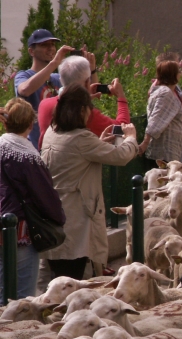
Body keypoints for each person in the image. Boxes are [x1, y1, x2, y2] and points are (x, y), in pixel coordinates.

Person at [41, 84, 137, 280]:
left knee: (58, 278)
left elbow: (76, 156)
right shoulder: (81, 138)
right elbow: (121, 156)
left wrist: (99, 143)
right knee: (73, 280)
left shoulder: (52, 132)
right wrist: (131, 138)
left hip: (53, 216)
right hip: (76, 220)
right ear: (83, 110)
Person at [0, 98, 65, 299]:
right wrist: (58, 218)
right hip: (19, 232)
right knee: (22, 294)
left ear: (5, 122)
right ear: (31, 124)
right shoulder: (28, 156)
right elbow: (44, 195)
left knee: (2, 290)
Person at [37, 55, 130, 148]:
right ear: (87, 82)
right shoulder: (84, 114)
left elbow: (67, 101)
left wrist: (85, 96)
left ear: (61, 80)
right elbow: (122, 128)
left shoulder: (44, 104)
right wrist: (121, 97)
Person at [14, 29, 78, 149]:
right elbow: (24, 90)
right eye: (44, 45)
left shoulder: (58, 78)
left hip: (57, 148)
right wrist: (54, 63)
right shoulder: (24, 75)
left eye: (52, 44)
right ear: (31, 51)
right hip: (34, 148)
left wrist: (91, 68)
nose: (51, 48)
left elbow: (87, 91)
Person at [138, 57, 182, 163]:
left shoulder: (163, 91)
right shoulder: (166, 93)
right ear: (173, 74)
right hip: (165, 153)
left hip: (167, 151)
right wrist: (145, 143)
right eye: (179, 71)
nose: (181, 73)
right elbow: (156, 119)